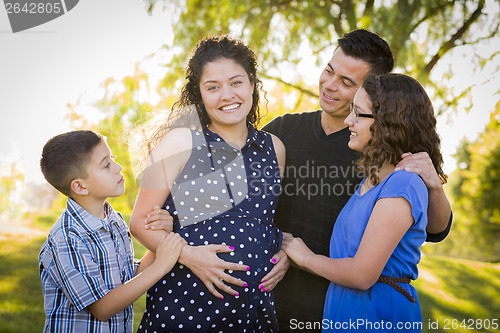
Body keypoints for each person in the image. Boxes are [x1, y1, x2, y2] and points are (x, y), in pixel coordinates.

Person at [261, 29, 453, 331]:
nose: (330, 85)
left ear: (373, 97)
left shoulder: (381, 157)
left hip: (332, 311)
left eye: (346, 82)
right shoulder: (283, 130)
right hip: (269, 301)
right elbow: (242, 202)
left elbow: (433, 230)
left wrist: (434, 185)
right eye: (329, 71)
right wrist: (276, 245)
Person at [129, 35, 286, 332]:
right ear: (199, 94)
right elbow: (139, 222)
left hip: (252, 313)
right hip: (185, 306)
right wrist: (188, 255)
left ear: (252, 84)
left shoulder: (273, 148)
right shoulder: (180, 141)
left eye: (236, 82)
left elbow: (264, 222)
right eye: (213, 87)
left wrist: (284, 253)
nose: (227, 95)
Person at [38, 130, 186, 332]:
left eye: (113, 159)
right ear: (80, 186)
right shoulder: (67, 238)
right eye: (106, 164)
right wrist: (160, 266)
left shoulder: (114, 220)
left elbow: (128, 280)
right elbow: (103, 308)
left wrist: (162, 240)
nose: (118, 168)